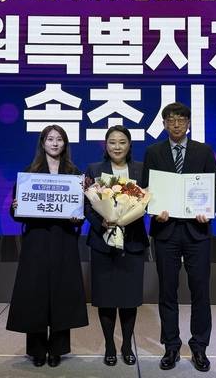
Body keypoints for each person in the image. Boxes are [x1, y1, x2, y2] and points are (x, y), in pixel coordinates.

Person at [140, 102, 216, 373]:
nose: (176, 124)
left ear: (188, 123)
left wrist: (207, 211)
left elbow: (214, 189)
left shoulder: (204, 151)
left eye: (181, 119)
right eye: (171, 120)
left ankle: (199, 346)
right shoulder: (153, 152)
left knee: (201, 291)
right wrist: (154, 211)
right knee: (167, 291)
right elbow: (147, 190)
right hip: (166, 232)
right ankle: (171, 346)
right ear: (164, 124)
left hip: (197, 232)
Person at [6, 125, 88, 368]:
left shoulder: (74, 174)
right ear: (42, 143)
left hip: (63, 240)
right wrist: (15, 207)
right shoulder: (29, 173)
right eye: (50, 139)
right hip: (37, 240)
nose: (54, 143)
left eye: (59, 139)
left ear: (65, 144)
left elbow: (82, 211)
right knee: (35, 294)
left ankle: (58, 350)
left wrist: (77, 217)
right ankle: (37, 350)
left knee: (62, 293)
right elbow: (17, 212)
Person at [84, 126, 149, 367]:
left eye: (122, 142)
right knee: (106, 298)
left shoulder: (141, 170)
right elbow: (87, 205)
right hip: (103, 243)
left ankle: (126, 345)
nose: (117, 146)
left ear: (129, 144)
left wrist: (127, 217)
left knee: (129, 298)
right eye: (112, 142)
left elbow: (148, 200)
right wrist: (102, 221)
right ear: (106, 145)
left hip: (132, 242)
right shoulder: (94, 169)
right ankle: (110, 345)